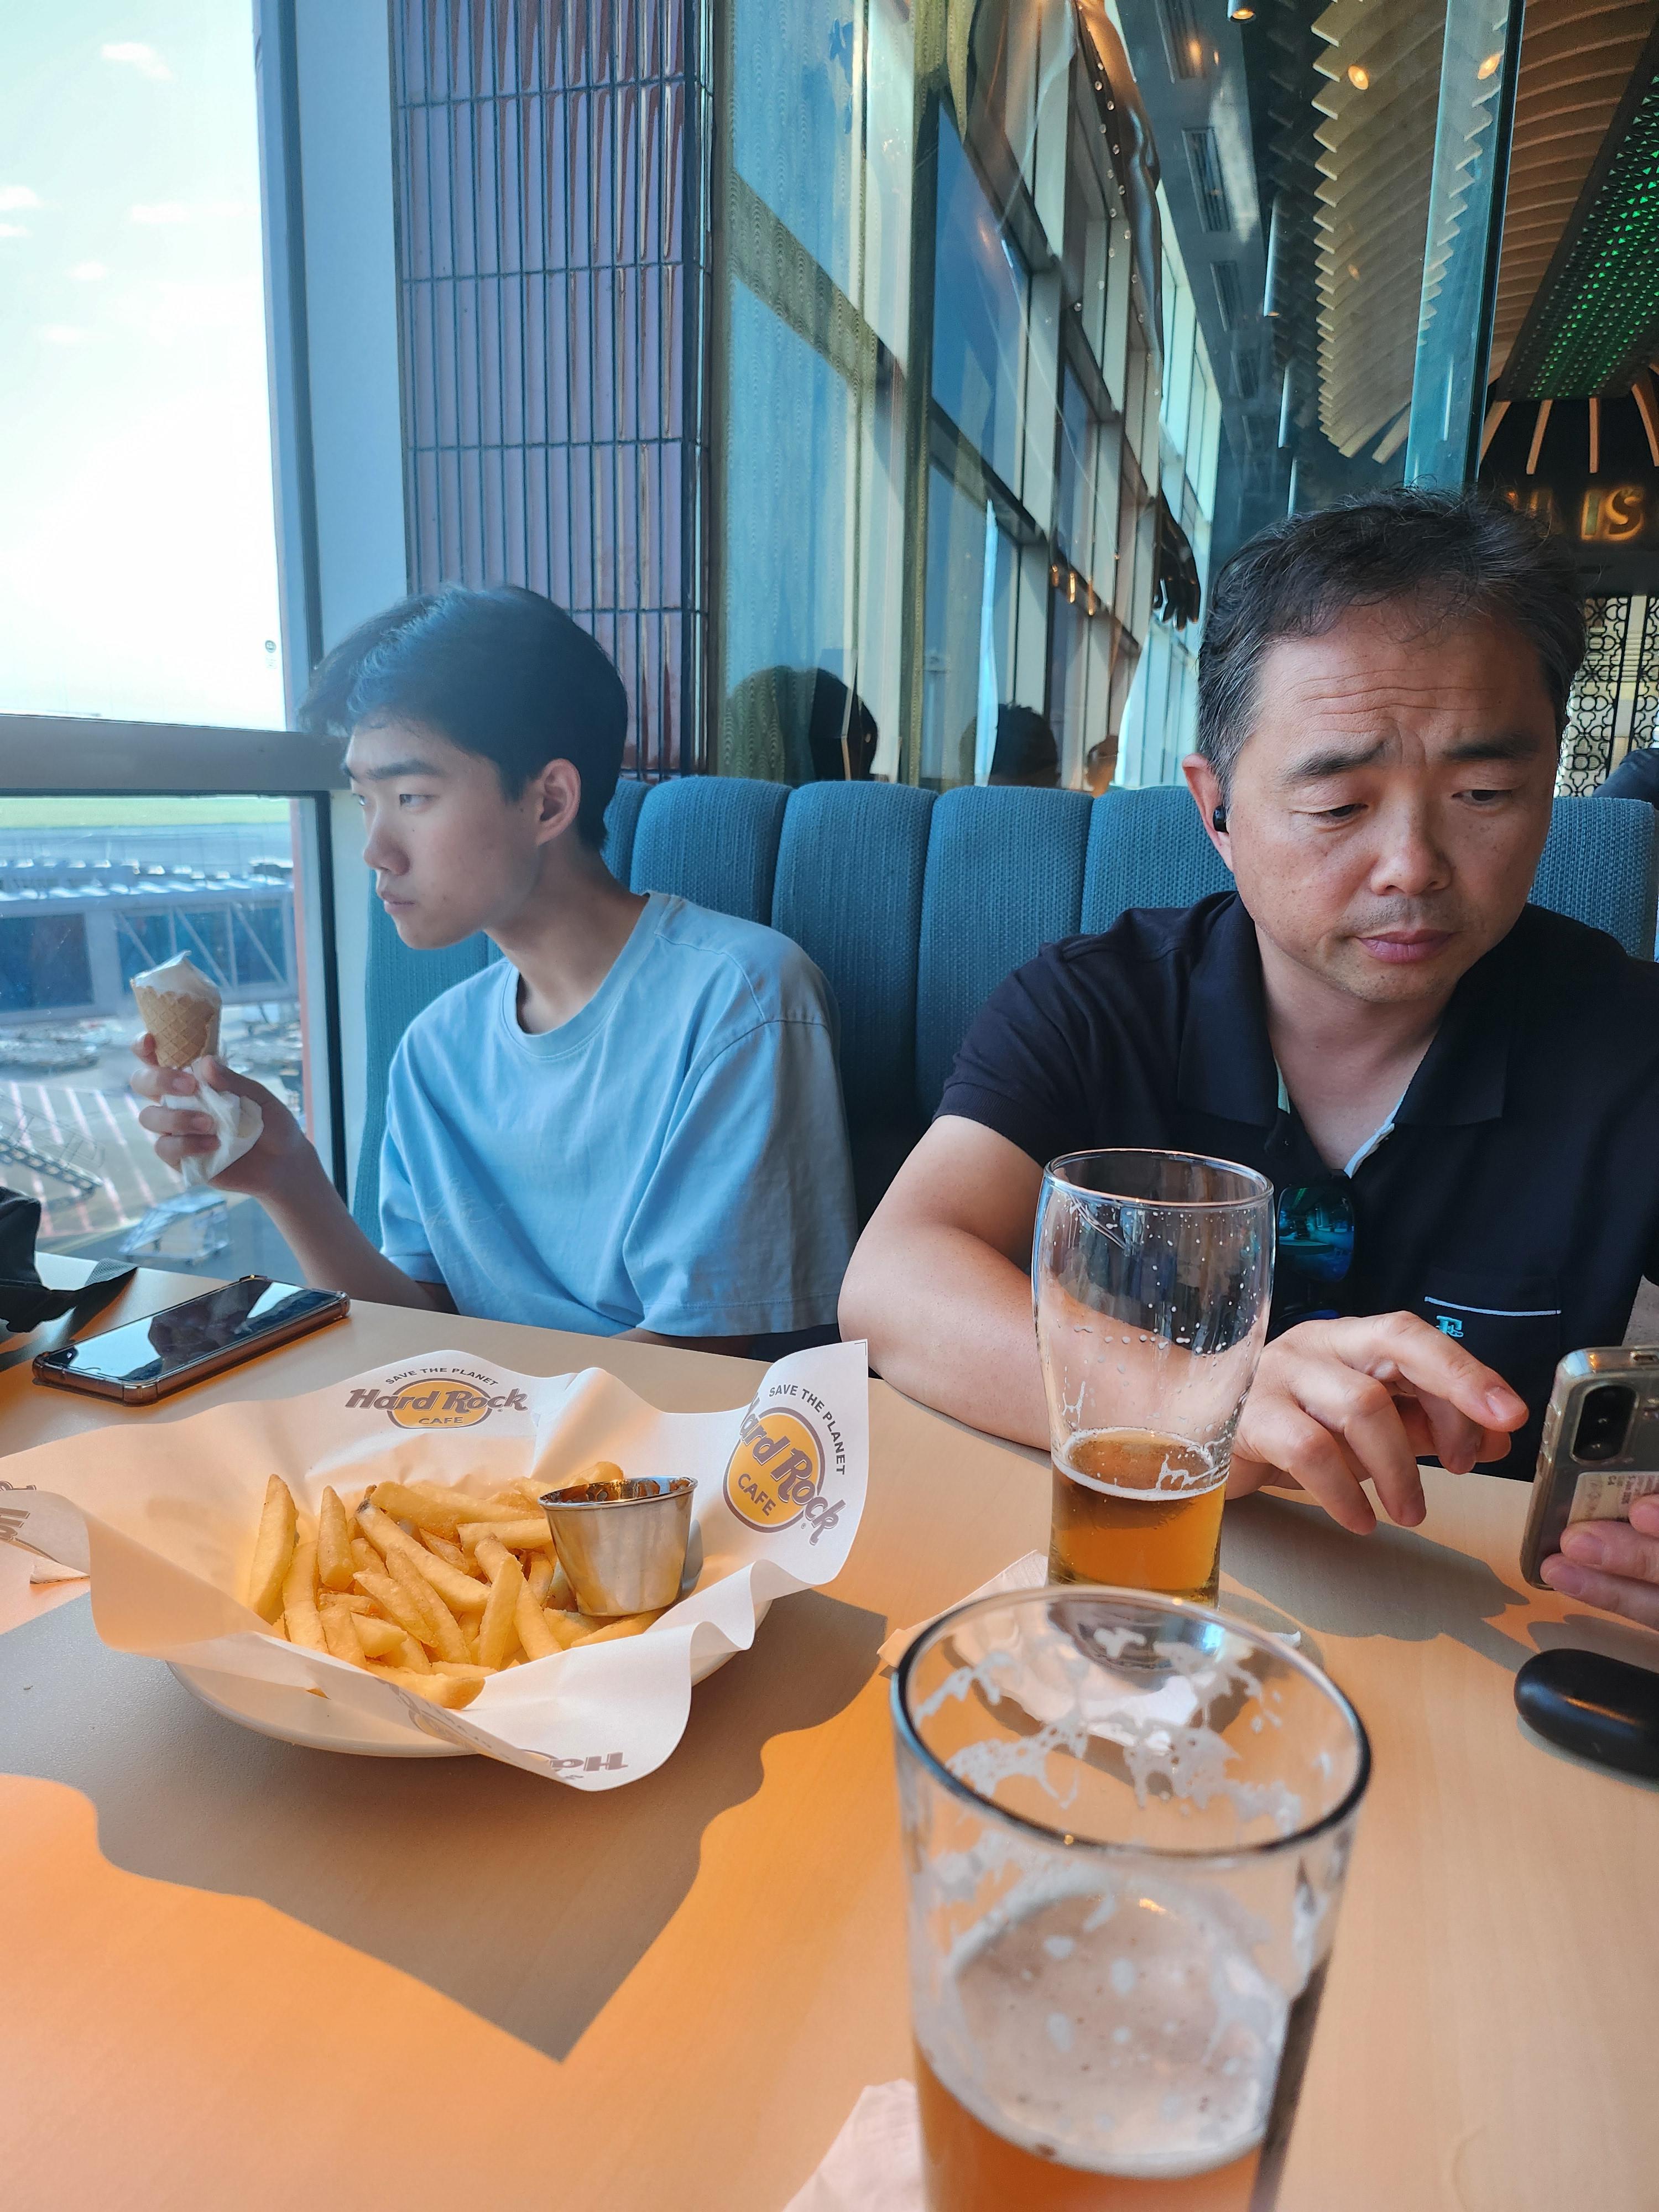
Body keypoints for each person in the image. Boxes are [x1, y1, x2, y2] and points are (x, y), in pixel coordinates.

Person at [841, 489, 1659, 1592]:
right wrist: (1203, 1400)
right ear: (1216, 809)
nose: (1413, 864)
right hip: (1122, 1592)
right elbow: (894, 1280)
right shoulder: (1096, 1005)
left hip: (1472, 1617)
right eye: (1339, 806)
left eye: (1485, 791)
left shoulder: (1629, 1043)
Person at [133, 585, 858, 1352]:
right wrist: (287, 1180)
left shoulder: (741, 1001)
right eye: (364, 801)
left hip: (643, 1429)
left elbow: (714, 1353)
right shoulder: (435, 1047)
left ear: (548, 803)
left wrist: (472, 1408)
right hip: (484, 1418)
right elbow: (417, 1324)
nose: (376, 850)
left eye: (412, 796)